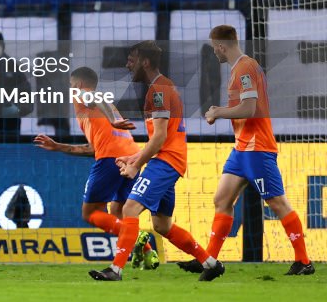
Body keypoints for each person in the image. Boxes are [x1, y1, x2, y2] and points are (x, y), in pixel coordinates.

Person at [179, 25, 313, 276]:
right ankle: (209, 260)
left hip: (256, 148)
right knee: (222, 199)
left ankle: (304, 261)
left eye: (214, 48)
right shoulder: (240, 68)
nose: (214, 53)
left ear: (220, 46)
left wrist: (218, 111)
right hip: (242, 148)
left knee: (276, 202)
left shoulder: (244, 67)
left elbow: (249, 108)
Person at [90, 42, 223, 282]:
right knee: (162, 225)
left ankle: (115, 270)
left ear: (145, 62)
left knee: (129, 208)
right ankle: (209, 263)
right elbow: (162, 136)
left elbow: (160, 137)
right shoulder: (161, 87)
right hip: (169, 160)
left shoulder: (158, 90)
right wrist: (134, 158)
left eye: (131, 60)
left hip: (166, 161)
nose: (127, 65)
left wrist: (136, 163)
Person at [34, 66, 159, 271]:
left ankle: (137, 238)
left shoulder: (84, 96)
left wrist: (114, 120)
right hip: (131, 158)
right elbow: (91, 149)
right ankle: (147, 252)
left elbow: (96, 97)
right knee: (118, 213)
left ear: (79, 84)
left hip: (111, 158)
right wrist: (58, 147)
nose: (70, 89)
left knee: (90, 213)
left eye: (71, 85)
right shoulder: (98, 112)